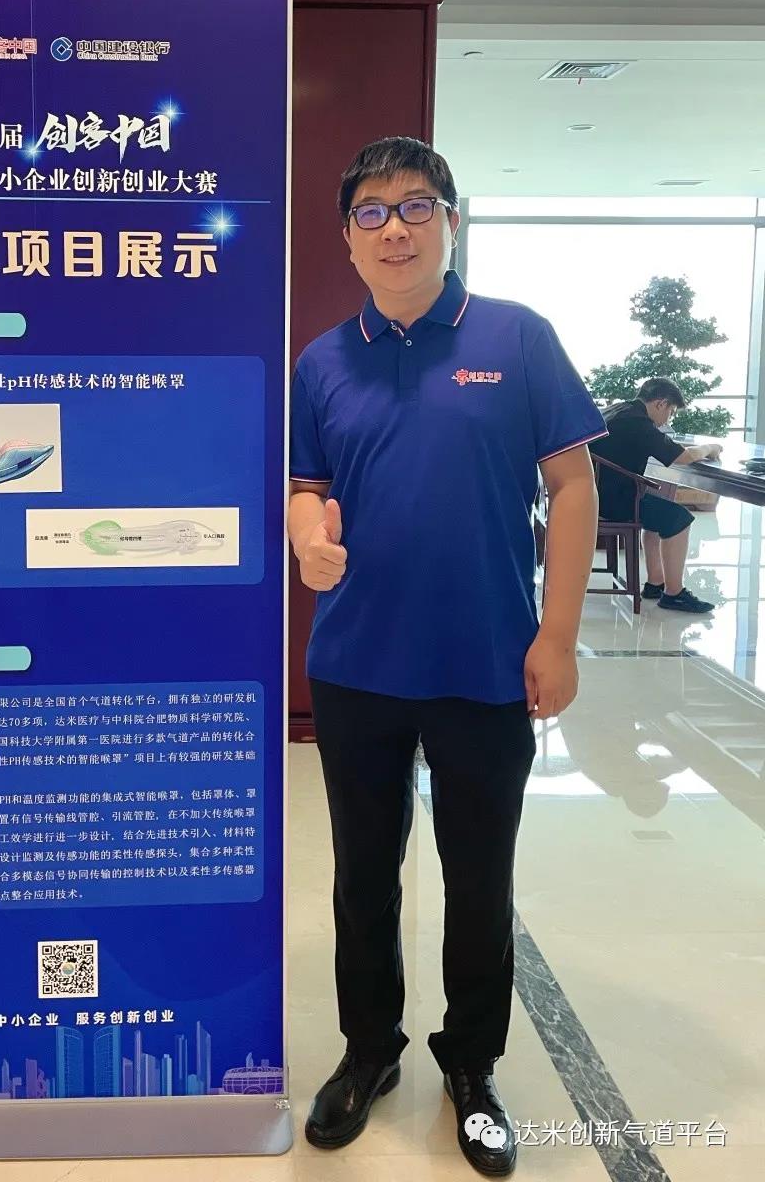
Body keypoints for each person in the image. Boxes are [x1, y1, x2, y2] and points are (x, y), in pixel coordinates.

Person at [289, 136, 605, 1176]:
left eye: (416, 206)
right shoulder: (322, 361)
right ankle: (368, 1051)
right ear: (347, 238)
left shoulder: (517, 337)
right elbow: (307, 485)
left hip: (485, 662)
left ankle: (472, 1064)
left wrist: (558, 636)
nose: (395, 228)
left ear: (452, 222)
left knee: (478, 880)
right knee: (362, 878)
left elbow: (572, 487)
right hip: (357, 665)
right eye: (371, 212)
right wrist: (308, 535)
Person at [590, 379, 721, 614]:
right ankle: (674, 594)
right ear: (661, 403)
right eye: (671, 412)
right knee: (679, 518)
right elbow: (683, 457)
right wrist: (710, 448)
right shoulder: (639, 423)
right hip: (614, 502)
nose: (667, 420)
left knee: (658, 514)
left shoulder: (619, 410)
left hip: (594, 495)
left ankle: (655, 584)